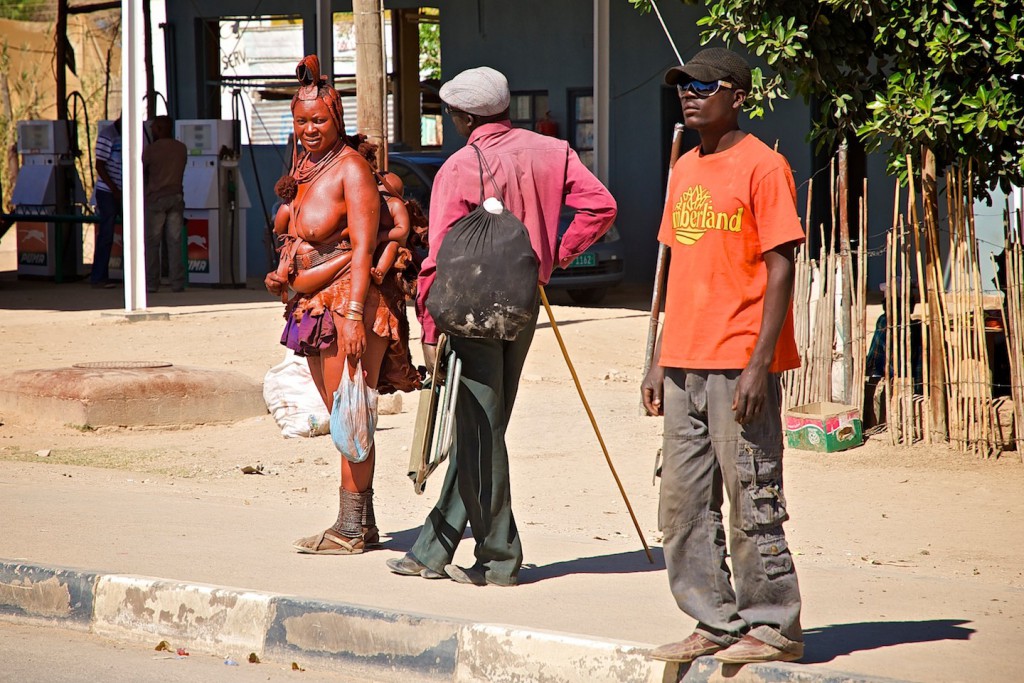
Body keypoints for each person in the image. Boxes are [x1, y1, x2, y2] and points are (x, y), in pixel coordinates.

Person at [386, 66, 617, 586]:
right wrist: (552, 256)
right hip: (524, 302)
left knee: (482, 426)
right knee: (480, 421)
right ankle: (433, 546)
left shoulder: (459, 168)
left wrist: (427, 326)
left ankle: (498, 556)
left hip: (470, 310)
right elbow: (601, 207)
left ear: (464, 116)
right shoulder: (552, 152)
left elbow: (439, 259)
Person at [640, 48, 805, 664]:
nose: (689, 94)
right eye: (683, 85)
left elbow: (782, 263)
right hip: (683, 360)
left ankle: (772, 625)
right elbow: (675, 267)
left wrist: (761, 362)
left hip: (739, 361)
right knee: (682, 501)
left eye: (705, 85)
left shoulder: (762, 167)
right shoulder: (684, 167)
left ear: (737, 95)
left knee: (752, 496)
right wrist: (658, 357)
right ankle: (712, 619)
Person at [265, 55, 418, 556]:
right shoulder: (307, 167)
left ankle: (351, 528)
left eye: (320, 121)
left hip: (350, 306)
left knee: (353, 413)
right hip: (313, 306)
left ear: (338, 121)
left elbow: (364, 245)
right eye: (301, 121)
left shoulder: (351, 168)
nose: (309, 129)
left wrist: (354, 315)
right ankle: (360, 522)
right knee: (341, 414)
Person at [142, 116, 188, 293]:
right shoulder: (181, 148)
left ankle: (152, 283)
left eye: (154, 128)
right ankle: (177, 282)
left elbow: (142, 172)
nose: (152, 131)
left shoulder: (151, 150)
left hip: (156, 200)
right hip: (176, 197)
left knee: (153, 242)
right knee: (175, 242)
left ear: (161, 129)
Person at [91, 117, 122, 288]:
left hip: (125, 191)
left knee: (135, 233)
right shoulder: (107, 135)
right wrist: (115, 189)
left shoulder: (131, 134)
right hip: (108, 192)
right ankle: (99, 276)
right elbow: (100, 165)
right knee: (106, 234)